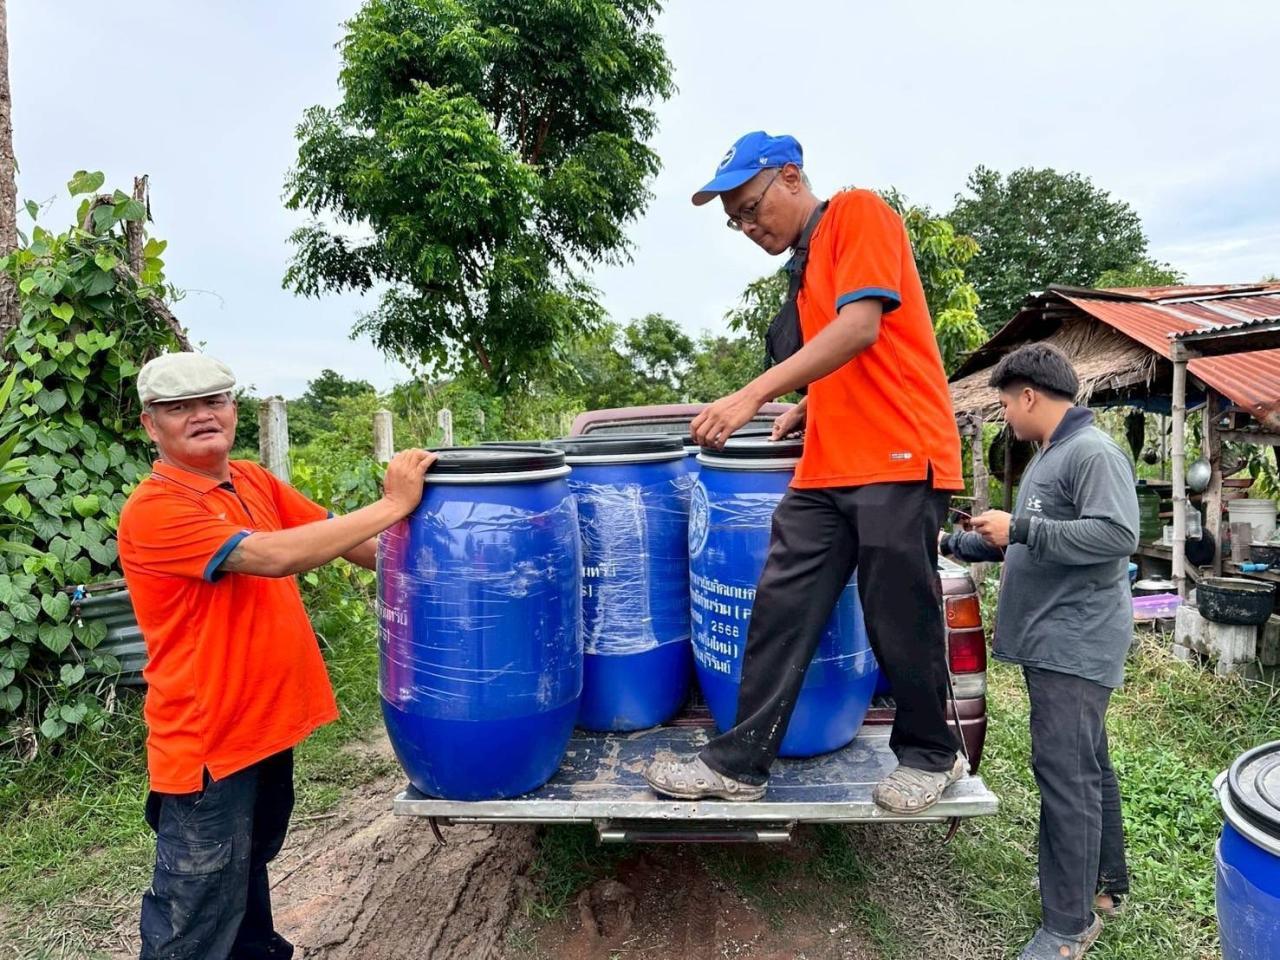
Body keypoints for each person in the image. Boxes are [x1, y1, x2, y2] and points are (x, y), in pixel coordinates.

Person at [644, 131, 968, 814]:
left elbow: (861, 331)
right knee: (781, 604)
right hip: (830, 463)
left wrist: (754, 394)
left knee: (896, 612)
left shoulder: (857, 213)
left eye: (752, 207)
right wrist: (811, 403)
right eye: (735, 220)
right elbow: (843, 360)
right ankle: (739, 762)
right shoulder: (808, 262)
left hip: (899, 453)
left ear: (791, 176)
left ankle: (932, 754)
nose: (747, 226)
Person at [117, 352, 435, 960]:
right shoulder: (157, 509)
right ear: (149, 425)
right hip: (210, 745)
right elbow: (273, 556)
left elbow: (351, 543)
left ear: (233, 409)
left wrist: (453, 559)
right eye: (179, 407)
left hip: (264, 730)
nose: (202, 416)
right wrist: (395, 503)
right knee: (196, 910)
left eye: (214, 401)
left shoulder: (252, 481)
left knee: (246, 873)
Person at [941, 343, 1137, 960]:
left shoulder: (1091, 452)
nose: (1004, 416)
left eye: (1004, 404)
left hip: (1074, 643)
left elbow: (1116, 535)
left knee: (1065, 774)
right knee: (1087, 765)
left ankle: (1067, 926)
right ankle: (1103, 886)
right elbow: (1030, 545)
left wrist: (1020, 527)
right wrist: (959, 540)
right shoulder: (1051, 457)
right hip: (1055, 641)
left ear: (1028, 395)